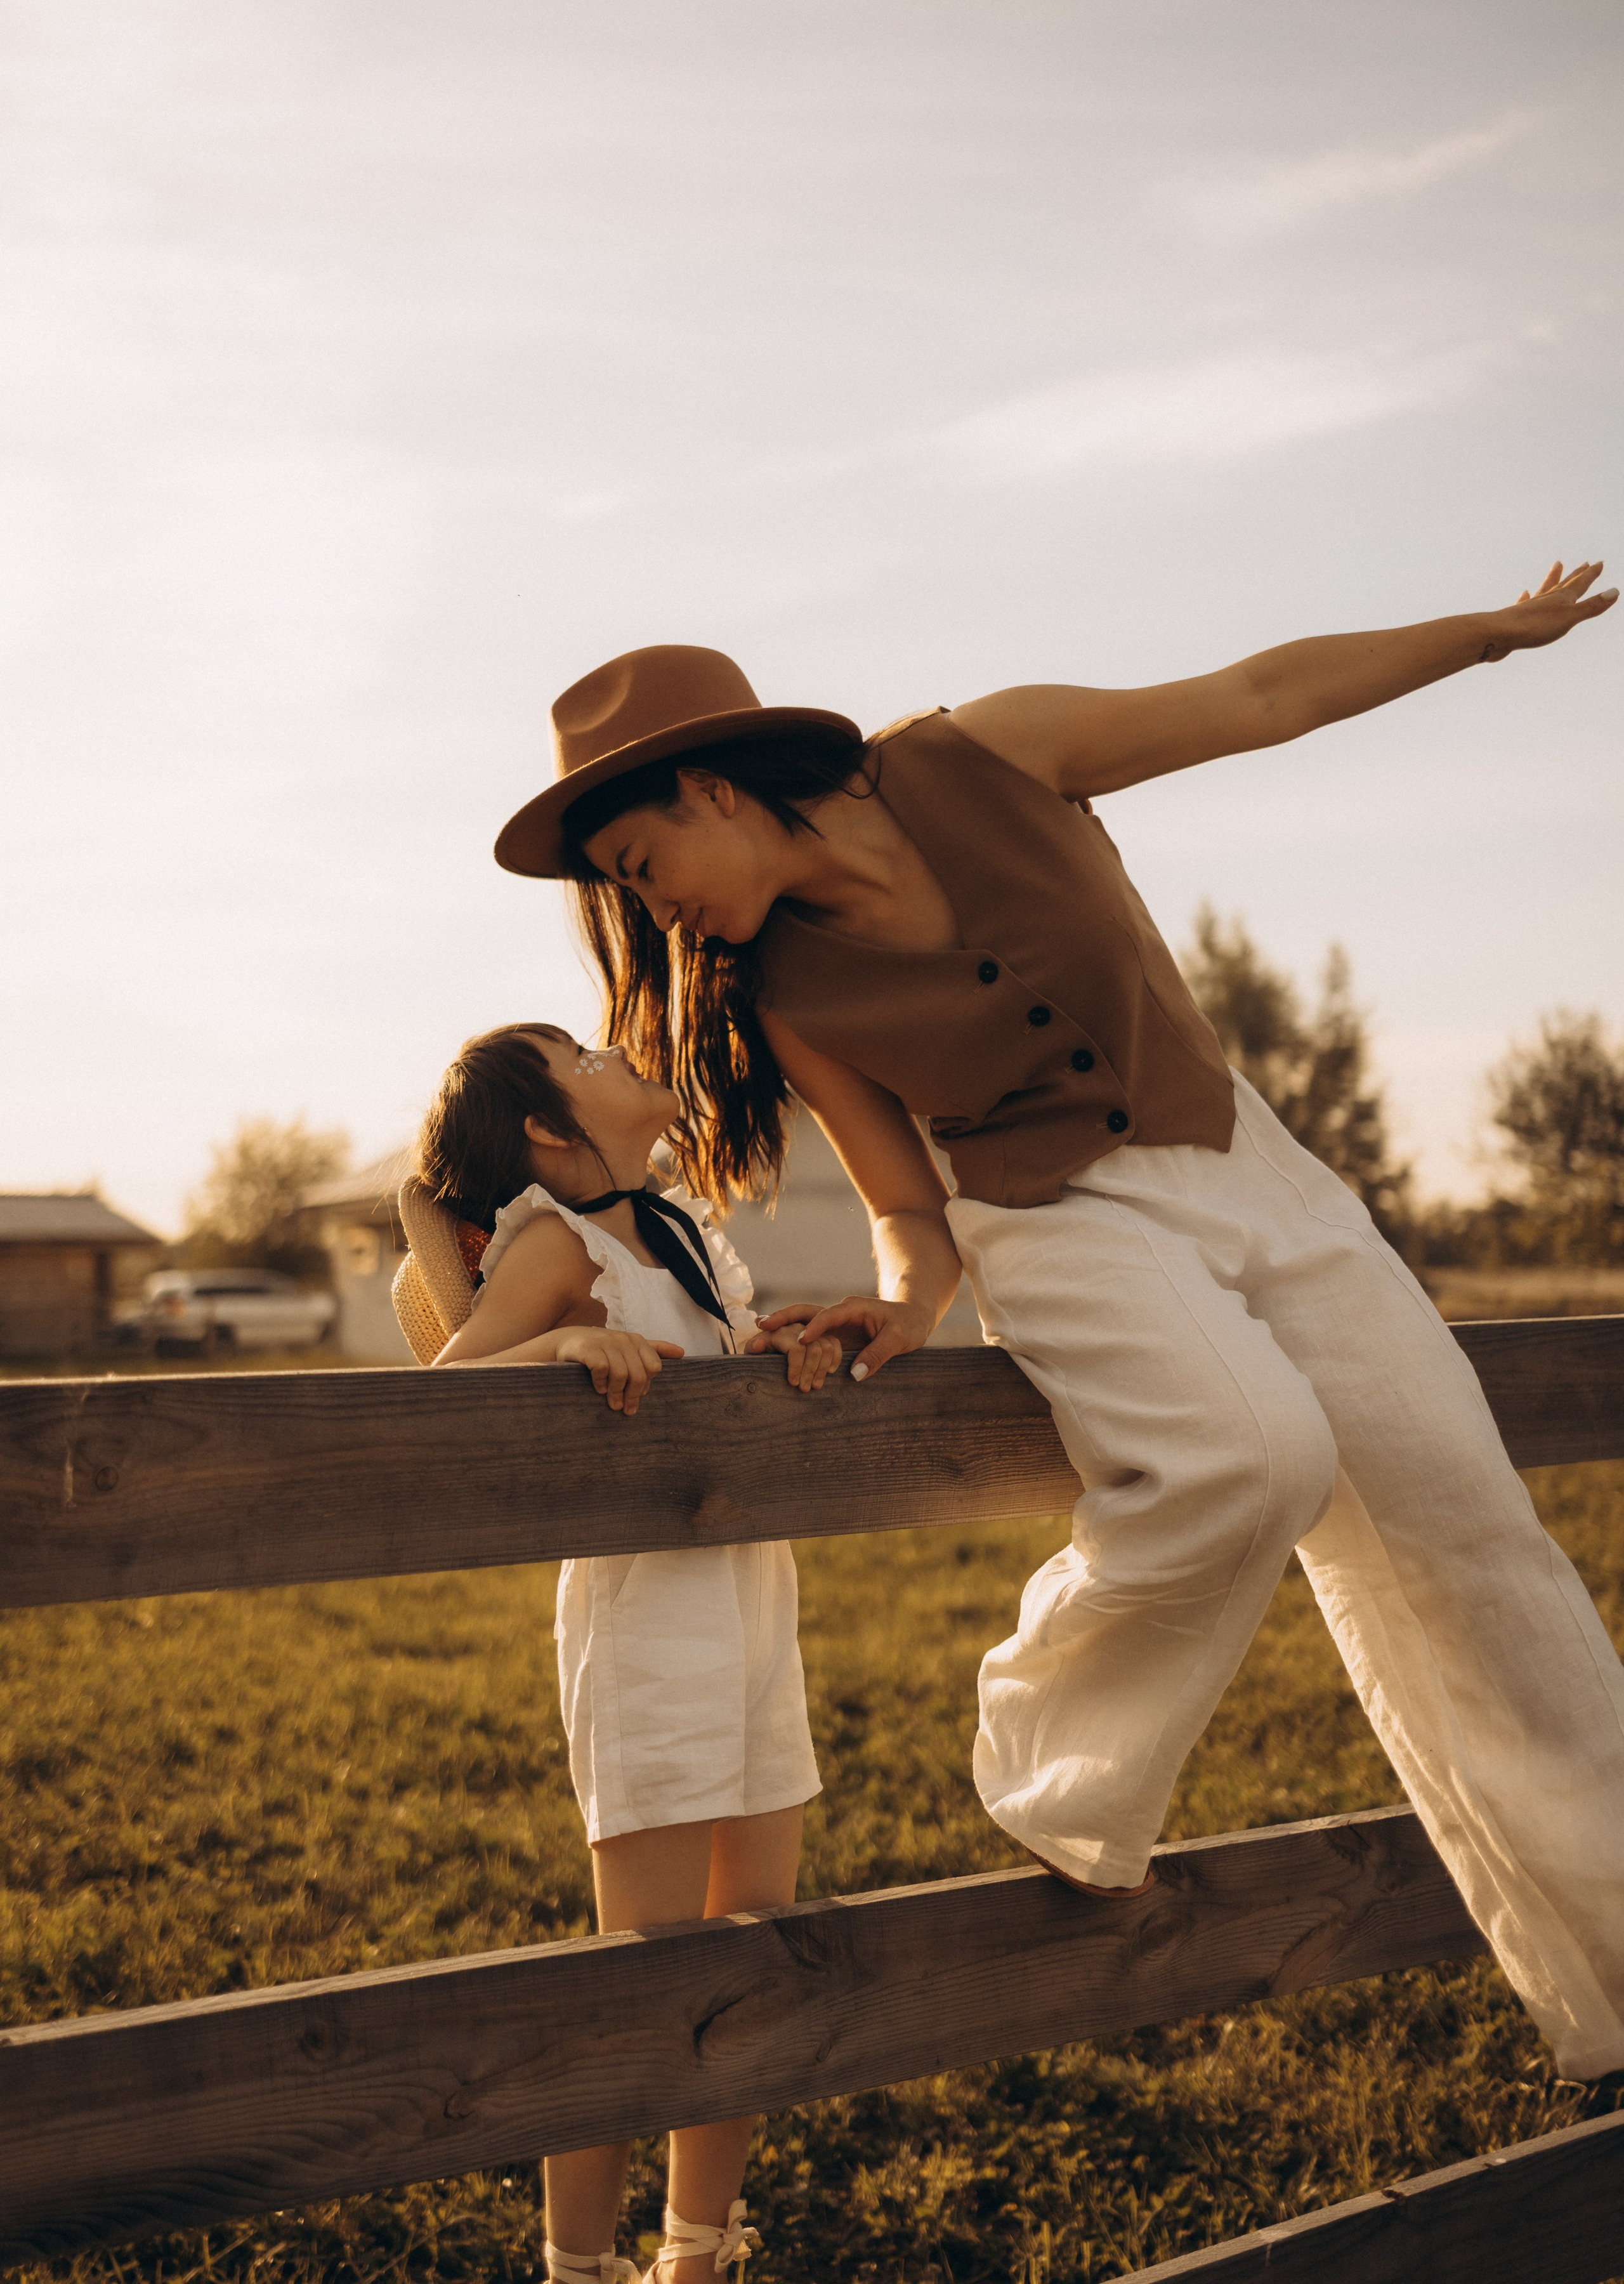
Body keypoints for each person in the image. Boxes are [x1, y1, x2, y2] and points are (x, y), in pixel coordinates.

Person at [488, 563, 1624, 2085]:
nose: (652, 907)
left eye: (643, 864)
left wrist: (1482, 635)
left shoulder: (988, 751)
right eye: (626, 893)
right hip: (1054, 1221)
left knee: (1472, 1540)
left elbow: (1254, 697)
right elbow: (907, 1201)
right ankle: (1045, 1747)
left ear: (711, 786)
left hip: (1250, 1168)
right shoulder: (785, 990)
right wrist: (906, 1302)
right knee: (1249, 1458)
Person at [392, 1021, 839, 2284]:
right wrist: (557, 1346)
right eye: (582, 1056)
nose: (616, 1052)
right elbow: (445, 1388)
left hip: (753, 1606)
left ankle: (699, 2250)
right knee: (636, 1979)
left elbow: (704, 1375)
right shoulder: (555, 1243)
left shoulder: (677, 1228)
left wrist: (771, 1356)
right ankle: (578, 2265)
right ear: (546, 1130)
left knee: (752, 1950)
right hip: (647, 1629)